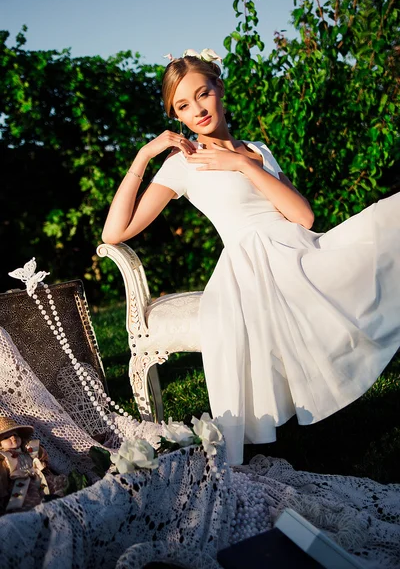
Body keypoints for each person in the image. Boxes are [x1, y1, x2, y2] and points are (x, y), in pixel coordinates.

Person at [102, 50, 400, 466]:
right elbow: (114, 232)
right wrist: (142, 157)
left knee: (391, 221)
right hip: (249, 262)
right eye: (183, 106)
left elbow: (303, 216)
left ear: (219, 89)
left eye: (202, 94)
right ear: (176, 115)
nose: (197, 110)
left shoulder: (256, 149)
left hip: (294, 247)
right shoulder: (181, 164)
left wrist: (243, 163)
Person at [0, 416, 67, 513]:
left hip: (38, 476)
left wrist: (36, 455)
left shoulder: (27, 450)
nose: (13, 438)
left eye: (15, 434)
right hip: (21, 483)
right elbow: (2, 477)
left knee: (56, 483)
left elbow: (41, 456)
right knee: (28, 499)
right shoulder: (4, 458)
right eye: (6, 437)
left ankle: (57, 502)